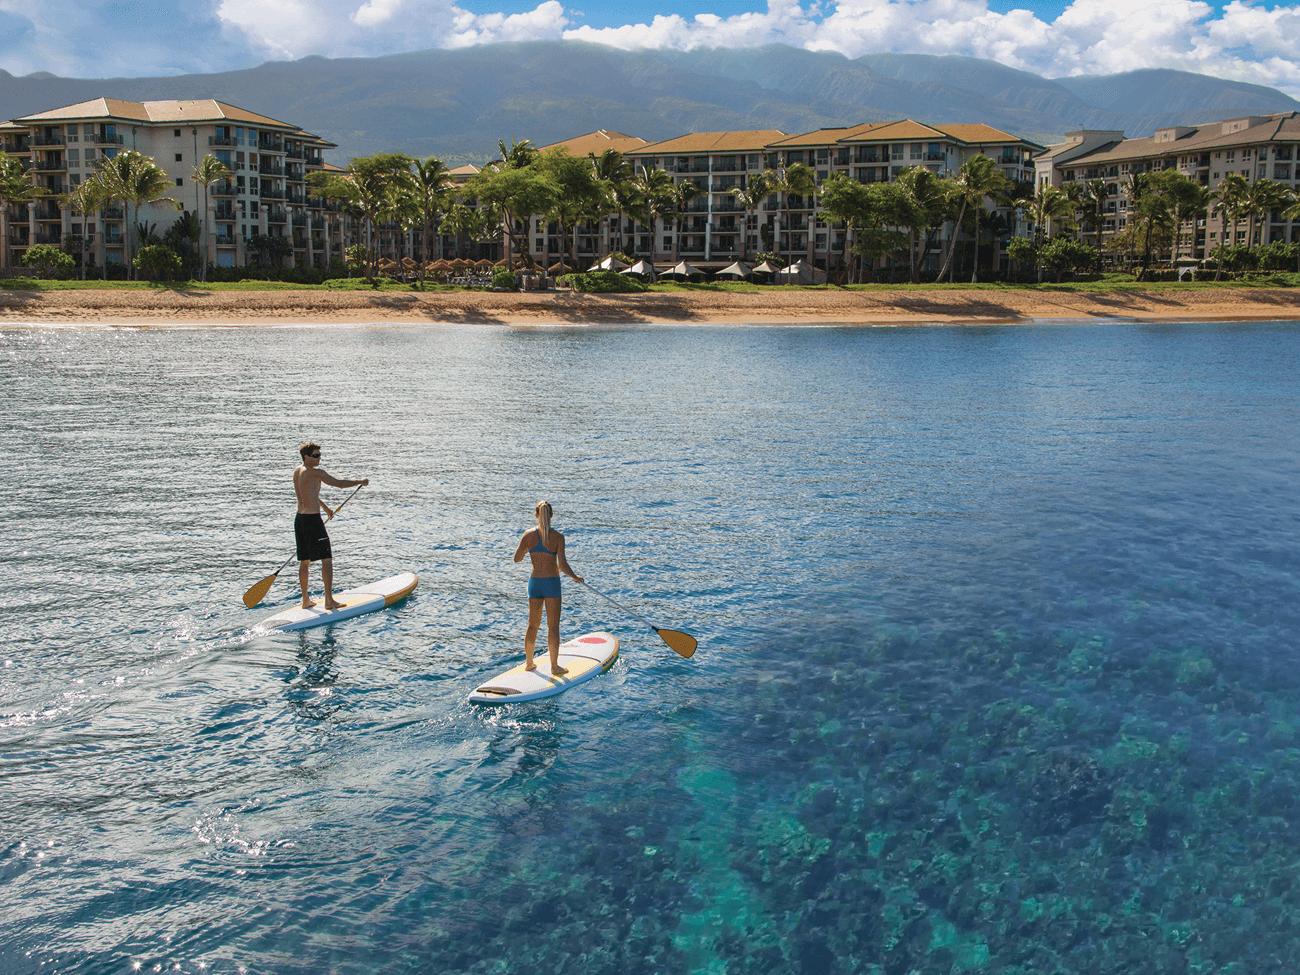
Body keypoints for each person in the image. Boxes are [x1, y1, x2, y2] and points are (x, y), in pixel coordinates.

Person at [294, 442, 369, 610]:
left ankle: (305, 600)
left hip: (299, 520)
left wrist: (325, 508)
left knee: (305, 561)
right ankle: (329, 600)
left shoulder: (297, 471)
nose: (319, 458)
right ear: (306, 457)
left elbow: (308, 494)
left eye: (319, 455)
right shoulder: (316, 473)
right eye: (315, 455)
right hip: (312, 521)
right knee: (326, 560)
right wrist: (360, 481)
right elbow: (339, 484)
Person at [513, 500, 583, 674]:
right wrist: (575, 577)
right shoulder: (558, 537)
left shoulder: (528, 535)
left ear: (536, 515)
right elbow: (563, 565)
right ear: (551, 515)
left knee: (532, 625)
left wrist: (527, 549)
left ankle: (529, 663)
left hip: (535, 584)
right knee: (553, 627)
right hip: (551, 584)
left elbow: (517, 558)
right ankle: (554, 666)